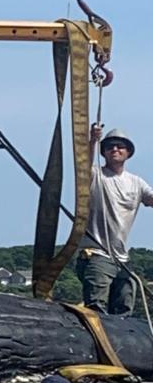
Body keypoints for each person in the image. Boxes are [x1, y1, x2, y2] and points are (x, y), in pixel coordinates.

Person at [76, 126, 153, 314]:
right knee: (96, 309)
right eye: (110, 146)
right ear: (103, 153)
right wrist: (93, 140)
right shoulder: (96, 175)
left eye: (120, 146)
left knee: (124, 308)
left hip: (122, 259)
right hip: (97, 253)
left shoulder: (136, 183)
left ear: (128, 152)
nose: (115, 149)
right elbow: (82, 163)